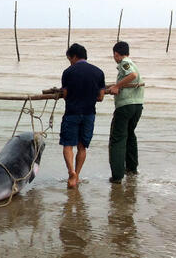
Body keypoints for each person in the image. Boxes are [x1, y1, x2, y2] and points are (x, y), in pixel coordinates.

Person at [60, 43, 105, 188]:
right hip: (89, 113)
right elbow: (100, 97)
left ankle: (71, 172)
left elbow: (65, 94)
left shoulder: (68, 72)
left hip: (72, 113)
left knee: (68, 145)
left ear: (74, 56)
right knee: (82, 147)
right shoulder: (98, 72)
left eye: (70, 59)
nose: (70, 62)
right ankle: (77, 175)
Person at [108, 41, 144, 184]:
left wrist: (117, 86)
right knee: (130, 135)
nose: (114, 58)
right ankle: (132, 168)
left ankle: (117, 176)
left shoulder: (124, 63)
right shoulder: (132, 62)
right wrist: (115, 86)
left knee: (117, 139)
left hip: (125, 106)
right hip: (137, 105)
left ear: (117, 54)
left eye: (114, 55)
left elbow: (132, 75)